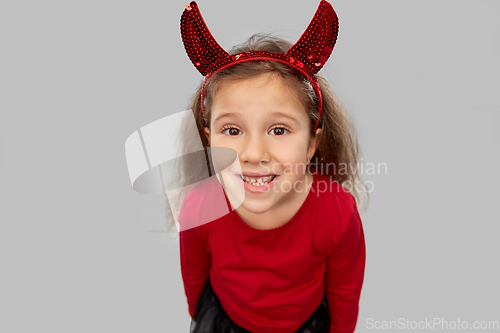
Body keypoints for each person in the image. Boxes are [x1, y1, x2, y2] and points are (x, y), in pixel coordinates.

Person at [173, 1, 370, 332]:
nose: (253, 153)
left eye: (279, 130)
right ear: (209, 140)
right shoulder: (199, 206)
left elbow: (345, 295)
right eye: (232, 130)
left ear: (311, 143)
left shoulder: (337, 211)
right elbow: (195, 279)